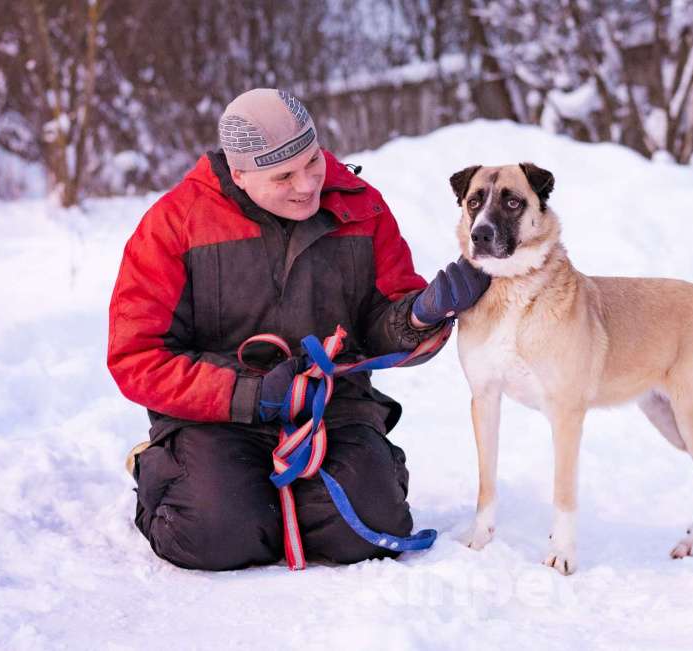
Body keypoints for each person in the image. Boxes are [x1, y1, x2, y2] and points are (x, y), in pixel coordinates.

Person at [108, 88, 489, 571]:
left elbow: (382, 319)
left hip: (333, 408)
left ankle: (314, 492)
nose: (307, 184)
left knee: (369, 533)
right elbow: (136, 357)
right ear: (239, 173)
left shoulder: (360, 207)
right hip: (215, 417)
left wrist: (419, 315)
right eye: (283, 175)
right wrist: (250, 393)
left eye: (312, 162)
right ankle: (160, 468)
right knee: (216, 535)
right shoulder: (174, 224)